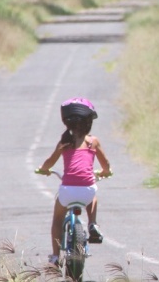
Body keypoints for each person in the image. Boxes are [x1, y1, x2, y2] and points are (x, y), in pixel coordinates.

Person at [36, 97, 112, 265]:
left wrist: (43, 169)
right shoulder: (93, 142)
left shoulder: (65, 142)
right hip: (86, 191)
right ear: (88, 122)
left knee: (57, 220)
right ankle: (92, 223)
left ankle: (56, 257)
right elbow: (105, 164)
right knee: (93, 192)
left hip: (67, 191)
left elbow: (50, 161)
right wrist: (106, 172)